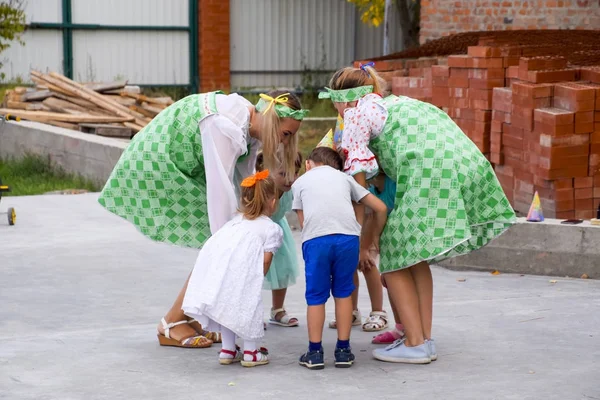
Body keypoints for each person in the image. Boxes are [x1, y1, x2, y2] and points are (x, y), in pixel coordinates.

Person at [319, 63, 516, 364]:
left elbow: (360, 180)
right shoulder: (393, 103)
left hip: (428, 175)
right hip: (462, 163)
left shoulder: (355, 113)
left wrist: (365, 227)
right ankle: (423, 338)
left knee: (395, 257)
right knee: (414, 256)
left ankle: (414, 343)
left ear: (342, 98)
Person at [97, 90, 308, 348]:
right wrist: (234, 240)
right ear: (273, 120)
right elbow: (221, 189)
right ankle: (171, 323)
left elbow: (243, 182)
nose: (285, 143)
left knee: (223, 240)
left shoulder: (249, 125)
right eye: (285, 134)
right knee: (218, 243)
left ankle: (194, 318)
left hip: (185, 165)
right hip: (160, 163)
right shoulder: (225, 126)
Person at [292, 144, 388, 369]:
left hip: (316, 240)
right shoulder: (346, 180)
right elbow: (379, 207)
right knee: (344, 292)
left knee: (315, 296)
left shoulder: (301, 182)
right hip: (348, 239)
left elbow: (304, 222)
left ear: (309, 164)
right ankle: (343, 351)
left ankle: (315, 353)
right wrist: (367, 235)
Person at [182, 170, 283, 367]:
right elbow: (265, 260)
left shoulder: (234, 223)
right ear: (272, 202)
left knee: (228, 309)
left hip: (224, 273)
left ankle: (228, 350)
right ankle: (251, 353)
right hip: (246, 275)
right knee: (249, 310)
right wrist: (258, 277)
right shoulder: (271, 228)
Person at [256, 151, 302, 328]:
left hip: (278, 228)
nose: (289, 180)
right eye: (283, 174)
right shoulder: (260, 188)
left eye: (294, 173)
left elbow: (300, 210)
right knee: (255, 271)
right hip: (259, 230)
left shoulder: (292, 190)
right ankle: (251, 311)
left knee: (283, 267)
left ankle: (277, 309)